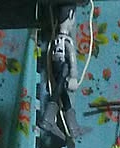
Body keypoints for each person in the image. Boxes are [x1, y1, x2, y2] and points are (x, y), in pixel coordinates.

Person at [39, 3, 87, 141]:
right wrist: (73, 75)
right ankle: (48, 119)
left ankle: (72, 127)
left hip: (56, 65)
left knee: (62, 93)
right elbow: (72, 57)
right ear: (71, 17)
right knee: (58, 90)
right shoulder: (66, 40)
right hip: (63, 66)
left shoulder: (56, 39)